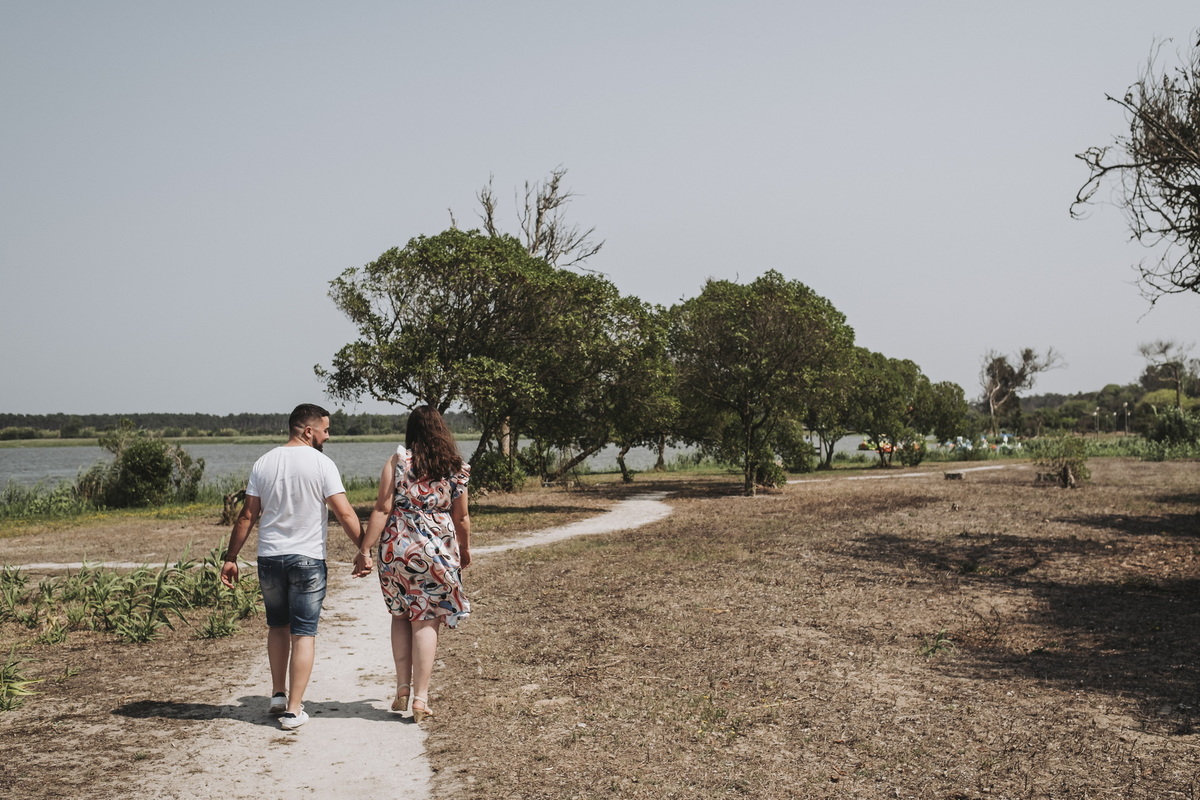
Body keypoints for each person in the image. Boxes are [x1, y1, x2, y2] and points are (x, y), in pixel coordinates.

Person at [219, 403, 371, 731]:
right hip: (307, 560)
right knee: (303, 634)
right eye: (325, 430)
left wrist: (230, 558)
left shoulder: (263, 462)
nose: (327, 436)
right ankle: (293, 710)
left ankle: (278, 694)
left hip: (270, 559)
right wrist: (364, 549)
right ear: (308, 431)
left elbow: (247, 515)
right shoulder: (322, 464)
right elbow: (345, 513)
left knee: (277, 627)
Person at [358, 405, 471, 723]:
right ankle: (421, 699)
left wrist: (365, 549)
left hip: (397, 548)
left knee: (400, 614)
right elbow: (461, 516)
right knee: (426, 619)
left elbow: (382, 508)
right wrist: (464, 549)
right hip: (436, 551)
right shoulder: (456, 467)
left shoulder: (398, 461)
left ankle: (402, 688)